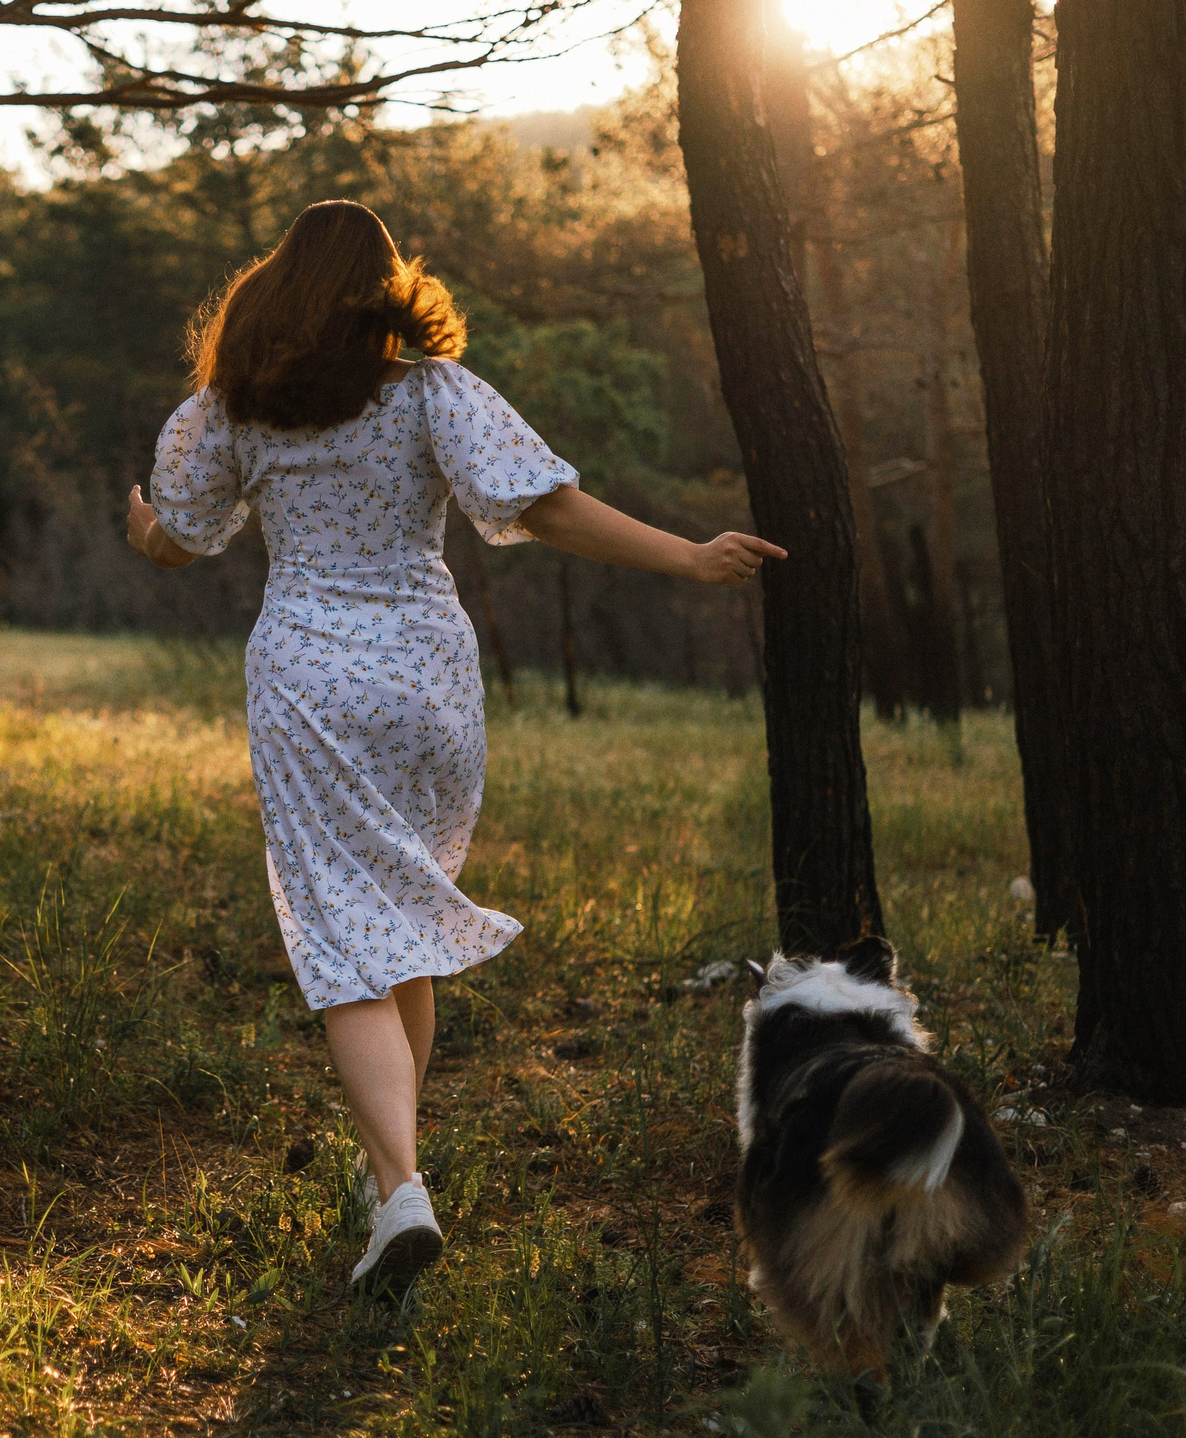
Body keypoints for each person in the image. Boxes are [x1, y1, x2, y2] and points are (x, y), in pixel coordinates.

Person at [124, 199, 784, 1297]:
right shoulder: (435, 394)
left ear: (277, 287)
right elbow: (552, 510)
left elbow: (179, 541)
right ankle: (392, 1173)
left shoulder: (233, 411)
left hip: (307, 678)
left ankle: (399, 1190)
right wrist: (689, 555)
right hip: (425, 679)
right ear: (388, 293)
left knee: (344, 933)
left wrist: (140, 524)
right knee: (402, 921)